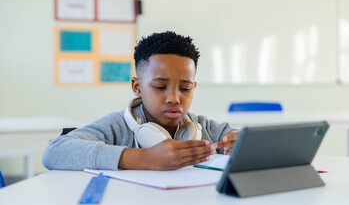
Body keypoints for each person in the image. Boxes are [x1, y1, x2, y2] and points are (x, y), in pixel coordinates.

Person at [42, 31, 239, 171]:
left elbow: (248, 140)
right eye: (160, 87)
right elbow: (54, 152)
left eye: (185, 88)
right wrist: (145, 159)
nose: (174, 98)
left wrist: (241, 144)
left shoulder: (203, 128)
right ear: (137, 87)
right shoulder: (117, 127)